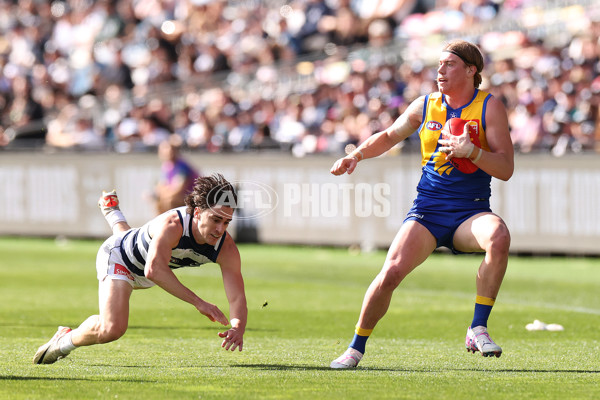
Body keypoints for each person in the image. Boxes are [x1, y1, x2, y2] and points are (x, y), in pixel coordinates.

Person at [329, 39, 513, 368]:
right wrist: (355, 155)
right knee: (389, 275)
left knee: (498, 237)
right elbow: (388, 136)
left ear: (471, 70)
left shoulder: (489, 107)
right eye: (439, 64)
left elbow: (506, 169)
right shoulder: (426, 104)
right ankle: (356, 348)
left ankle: (478, 327)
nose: (439, 70)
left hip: (470, 211)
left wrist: (471, 151)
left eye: (449, 64)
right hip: (428, 211)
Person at [33, 174, 247, 364]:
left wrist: (237, 327)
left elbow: (236, 297)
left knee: (137, 240)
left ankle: (112, 212)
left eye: (227, 222)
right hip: (119, 258)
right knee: (111, 329)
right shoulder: (174, 225)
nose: (220, 229)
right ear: (198, 212)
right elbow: (154, 270)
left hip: (144, 262)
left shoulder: (226, 247)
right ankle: (64, 340)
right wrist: (199, 303)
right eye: (216, 219)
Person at [153, 134, 200, 215]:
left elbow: (179, 189)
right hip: (180, 195)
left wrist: (165, 195)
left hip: (192, 197)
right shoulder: (166, 166)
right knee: (157, 199)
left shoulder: (182, 166)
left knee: (170, 200)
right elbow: (161, 185)